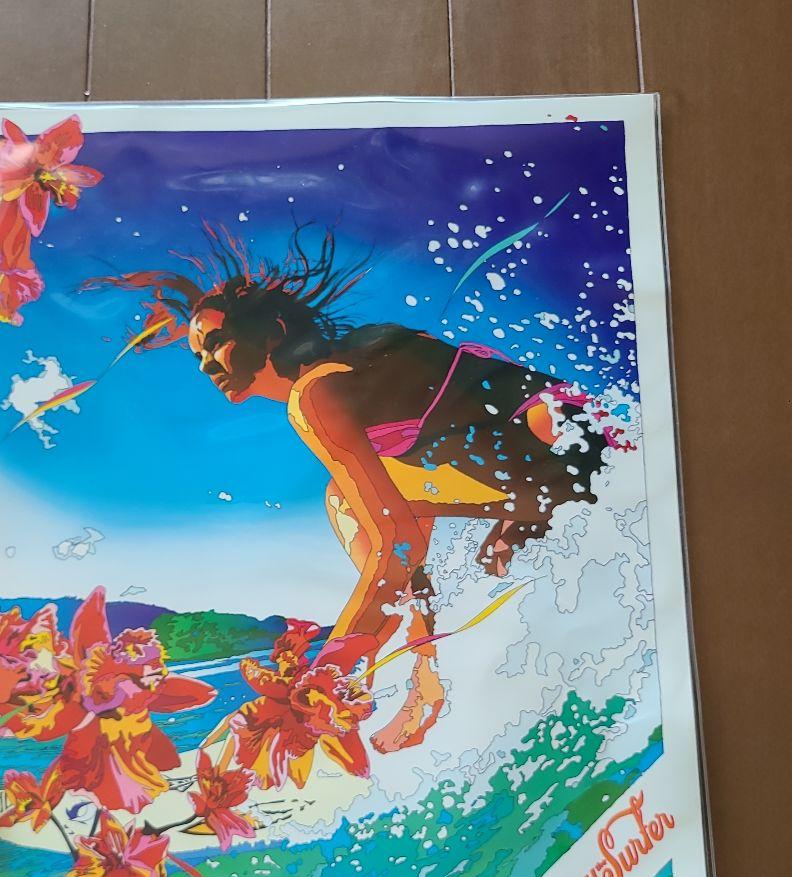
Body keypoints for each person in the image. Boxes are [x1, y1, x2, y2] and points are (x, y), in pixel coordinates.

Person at [85, 225, 626, 753]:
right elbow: (460, 445)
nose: (206, 364)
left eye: (216, 344)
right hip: (581, 447)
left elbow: (399, 544)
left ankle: (426, 677)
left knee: (349, 504)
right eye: (198, 356)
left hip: (565, 457)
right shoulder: (361, 357)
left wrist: (325, 672)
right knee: (444, 542)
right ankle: (429, 673)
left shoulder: (316, 394)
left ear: (271, 332)